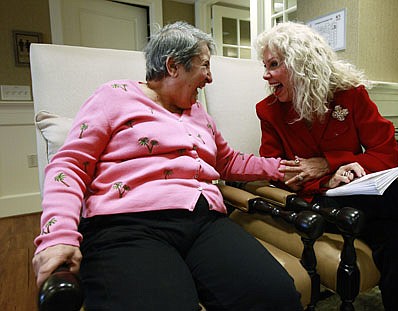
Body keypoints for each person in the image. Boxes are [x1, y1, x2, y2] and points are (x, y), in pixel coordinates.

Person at [32, 21, 303, 311]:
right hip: (126, 225)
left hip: (204, 222)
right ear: (173, 66)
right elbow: (70, 165)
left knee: (277, 296)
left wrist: (282, 169)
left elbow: (228, 161)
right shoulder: (114, 96)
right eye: (205, 66)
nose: (210, 78)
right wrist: (58, 236)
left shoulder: (198, 113)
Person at [254, 22, 398, 311]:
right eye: (265, 65)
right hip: (317, 205)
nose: (266, 74)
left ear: (301, 64)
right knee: (394, 196)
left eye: (274, 64)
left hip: (364, 201)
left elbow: (387, 152)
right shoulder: (268, 110)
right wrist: (325, 181)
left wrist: (331, 162)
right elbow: (275, 170)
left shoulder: (350, 96)